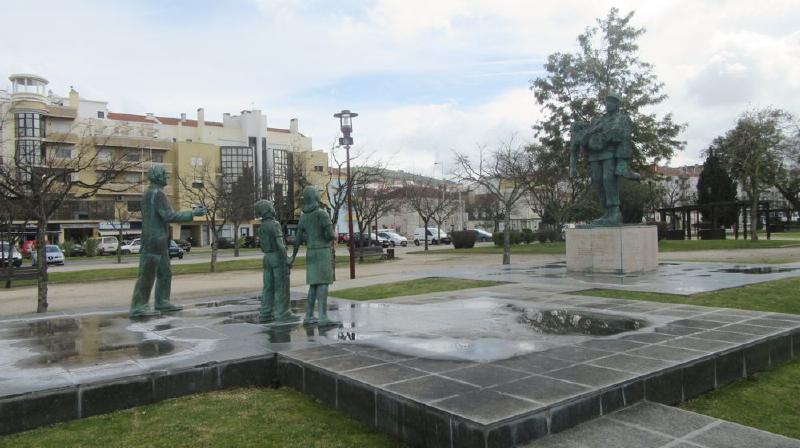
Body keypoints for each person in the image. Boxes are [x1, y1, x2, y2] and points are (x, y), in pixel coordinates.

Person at [129, 166, 204, 318]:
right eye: (164, 175)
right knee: (147, 274)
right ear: (157, 177)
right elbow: (169, 216)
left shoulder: (149, 193)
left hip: (157, 239)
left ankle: (162, 301)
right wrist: (193, 213)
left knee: (165, 272)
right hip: (154, 239)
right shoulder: (158, 194)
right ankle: (139, 306)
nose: (166, 178)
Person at [569, 92, 640, 225]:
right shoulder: (599, 120)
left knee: (608, 179)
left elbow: (621, 135)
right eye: (607, 102)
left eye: (612, 102)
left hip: (610, 154)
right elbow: (587, 134)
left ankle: (615, 212)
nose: (608, 104)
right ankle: (607, 212)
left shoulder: (622, 118)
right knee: (596, 181)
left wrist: (621, 161)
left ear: (617, 105)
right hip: (595, 156)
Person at [288, 186, 337, 325]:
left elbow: (297, 240)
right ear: (315, 197)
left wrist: (293, 257)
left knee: (313, 285)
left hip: (310, 252)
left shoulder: (304, 217)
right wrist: (330, 237)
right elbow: (331, 235)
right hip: (322, 251)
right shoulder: (322, 214)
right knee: (322, 284)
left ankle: (309, 315)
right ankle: (322, 316)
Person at [255, 199, 298, 323]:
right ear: (268, 210)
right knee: (281, 286)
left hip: (267, 258)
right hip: (277, 258)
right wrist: (287, 258)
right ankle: (283, 313)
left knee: (268, 286)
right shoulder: (275, 224)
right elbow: (280, 244)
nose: (274, 209)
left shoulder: (262, 226)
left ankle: (265, 312)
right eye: (272, 207)